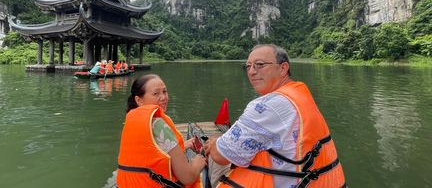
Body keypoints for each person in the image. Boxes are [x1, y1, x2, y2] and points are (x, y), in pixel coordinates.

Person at [204, 44, 346, 188]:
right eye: (248, 67)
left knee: (212, 156)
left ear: (283, 68)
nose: (252, 72)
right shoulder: (299, 94)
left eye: (259, 65)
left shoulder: (268, 105)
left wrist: (214, 144)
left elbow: (219, 156)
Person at [117, 74, 208, 187]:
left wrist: (181, 146)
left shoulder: (131, 122)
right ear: (139, 100)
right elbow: (187, 178)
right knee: (202, 171)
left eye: (164, 92)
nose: (163, 97)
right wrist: (197, 164)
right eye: (156, 93)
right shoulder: (158, 125)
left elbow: (149, 153)